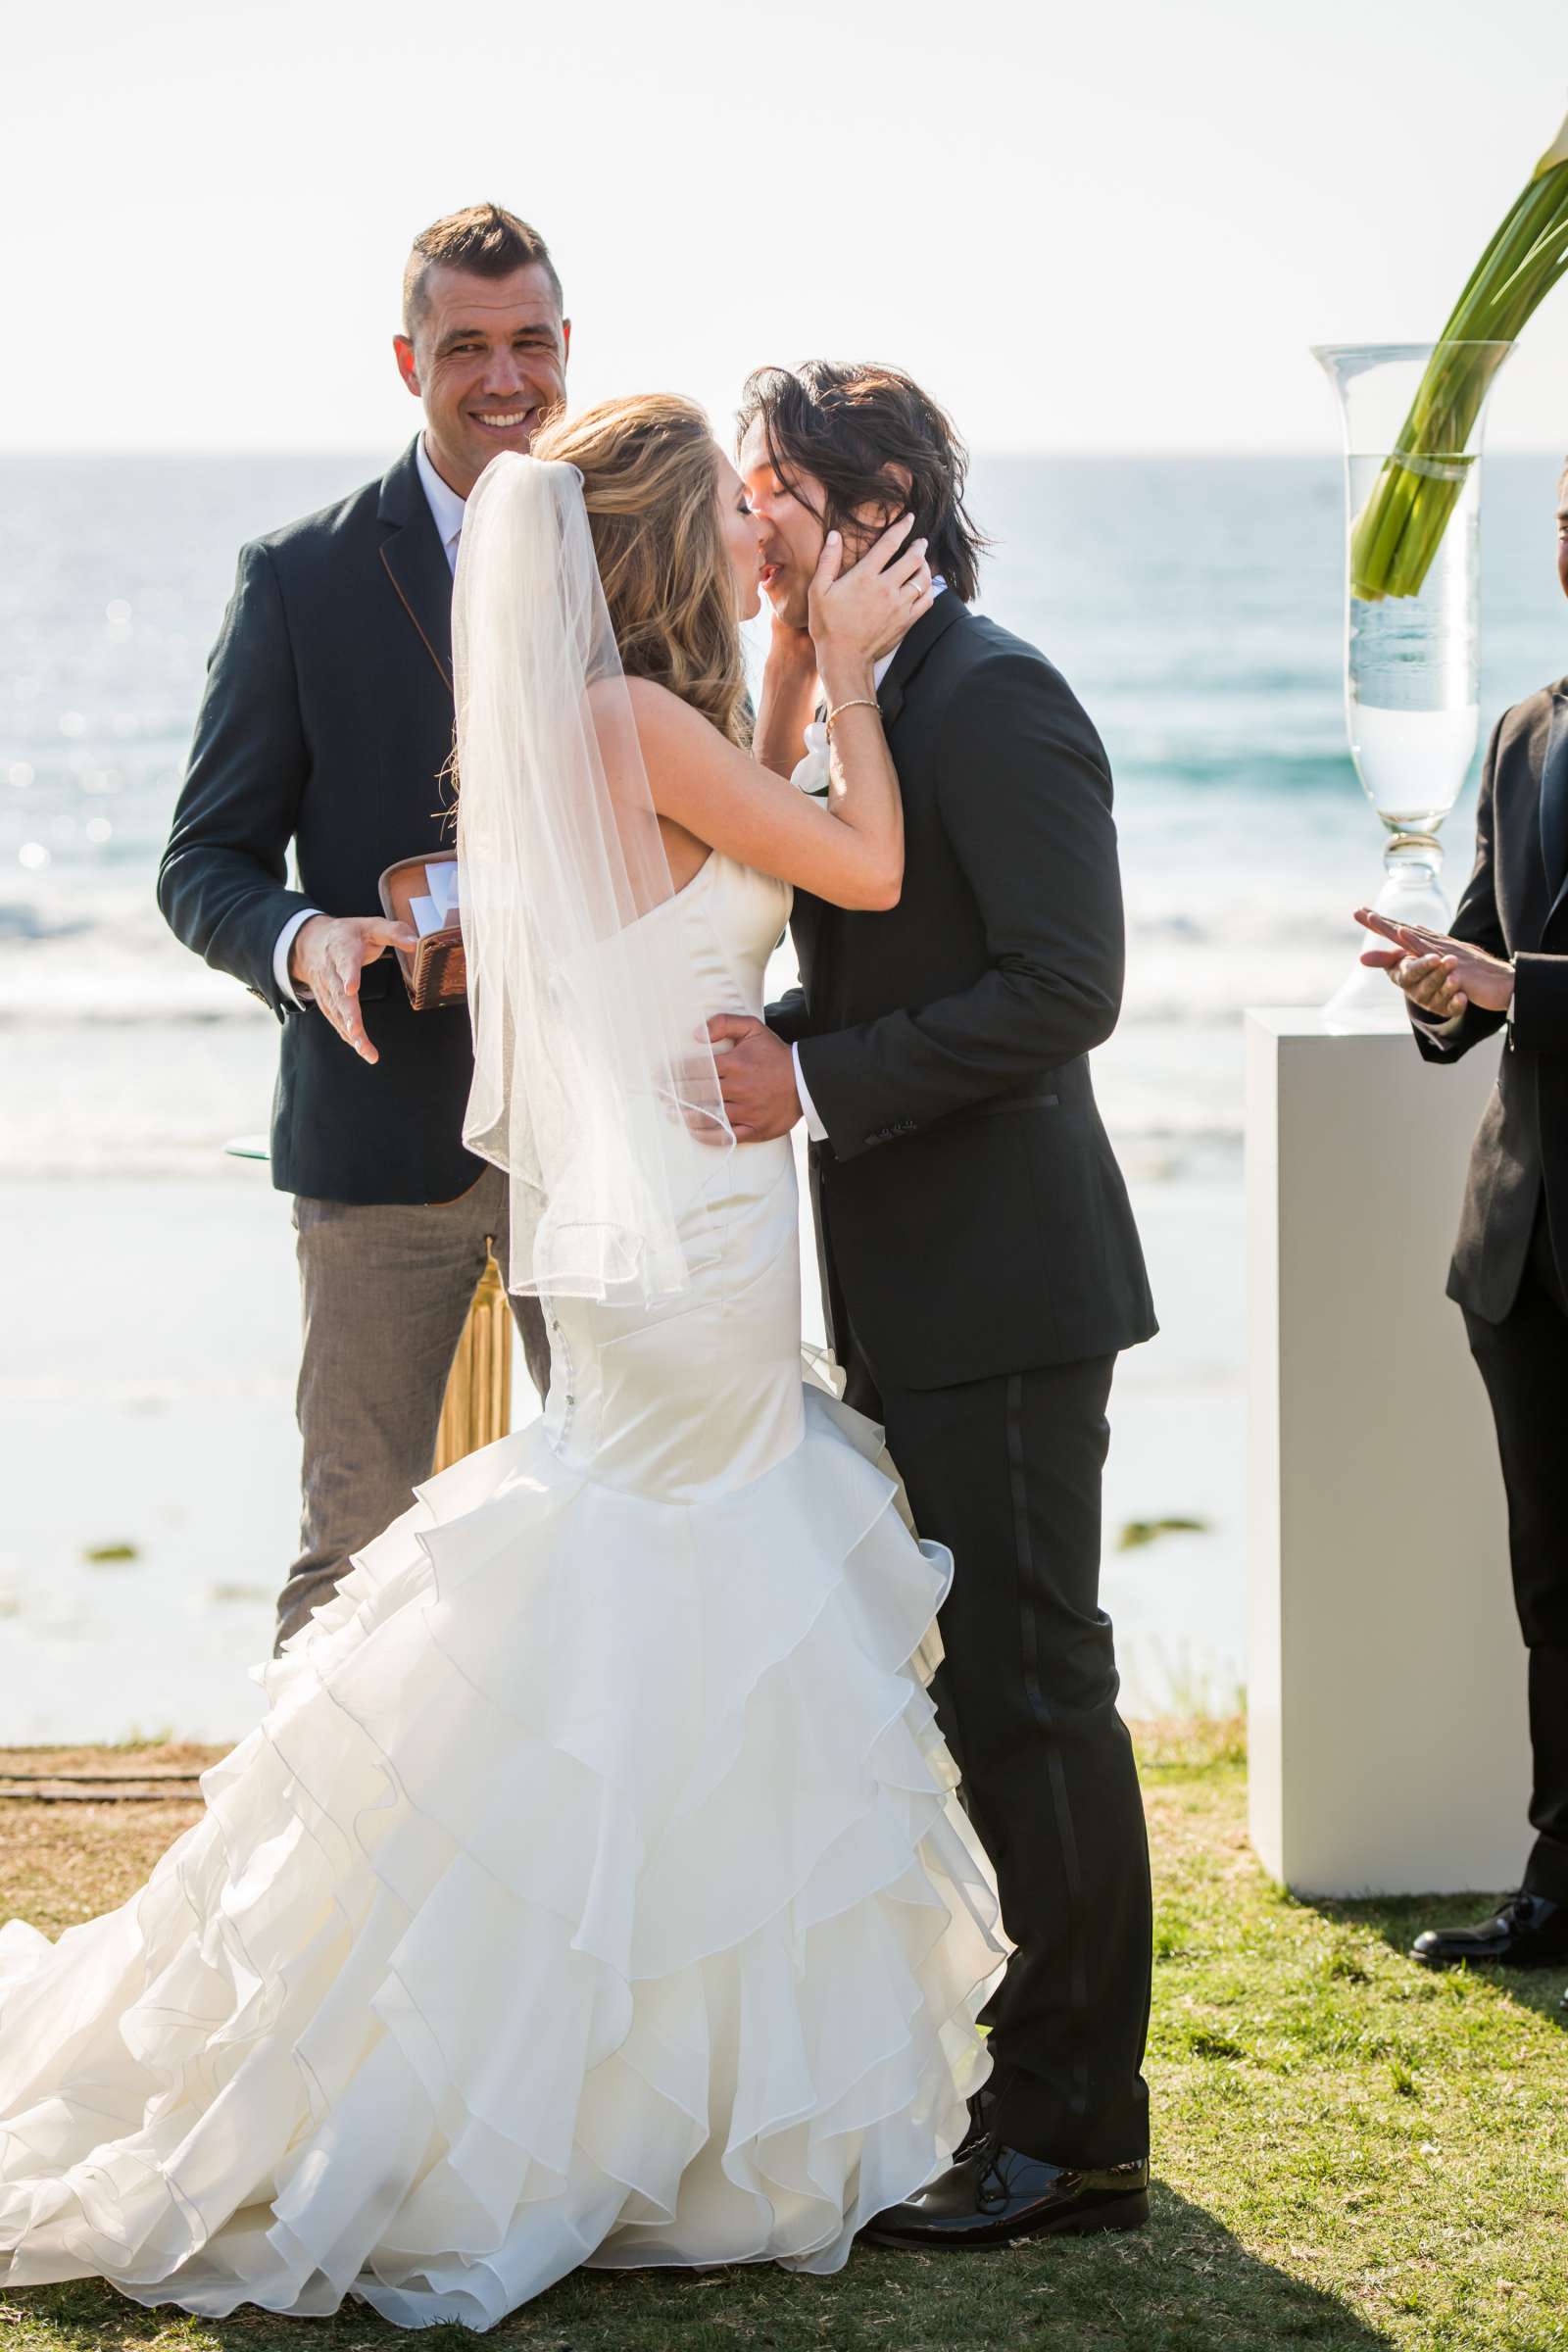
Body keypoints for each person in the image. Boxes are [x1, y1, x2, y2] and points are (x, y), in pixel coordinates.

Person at [0, 396, 1004, 2328]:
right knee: (672, 1587)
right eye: (732, 504)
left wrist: (798, 655)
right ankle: (614, 2083)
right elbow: (856, 863)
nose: (756, 521)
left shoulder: (609, 728)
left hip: (678, 1238)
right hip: (691, 1244)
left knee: (663, 1596)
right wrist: (864, 672)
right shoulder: (633, 726)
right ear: (653, 544)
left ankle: (648, 2077)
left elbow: (745, 806)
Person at [715, 363, 1158, 2248]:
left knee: (1040, 1688)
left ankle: (1080, 2136)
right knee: (976, 1689)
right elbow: (913, 952)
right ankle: (1020, 2085)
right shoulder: (886, 698)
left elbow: (1066, 989)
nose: (752, 526)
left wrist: (808, 1077)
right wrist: (792, 1038)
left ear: (877, 496)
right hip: (908, 1277)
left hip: (1008, 1279)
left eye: (777, 494)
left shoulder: (996, 696)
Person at [157, 202, 563, 1651]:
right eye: (468, 347)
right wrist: (302, 938)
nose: (503, 378)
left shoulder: (633, 558)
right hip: (380, 1131)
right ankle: (317, 1883)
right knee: (354, 1547)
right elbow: (202, 859)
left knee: (630, 1522)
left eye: (529, 343)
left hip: (590, 1139)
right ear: (410, 361)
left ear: (566, 347)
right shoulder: (301, 578)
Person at [1356, 463, 1568, 2002]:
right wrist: (1442, 984)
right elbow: (1495, 942)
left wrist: (1517, 989)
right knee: (1553, 1588)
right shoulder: (1521, 731)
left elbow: (1532, 979)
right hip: (1523, 1243)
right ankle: (1558, 1884)